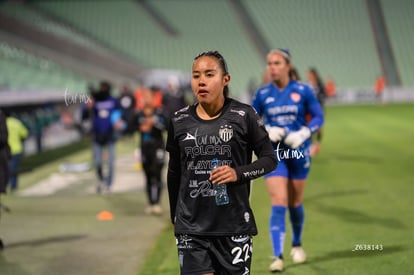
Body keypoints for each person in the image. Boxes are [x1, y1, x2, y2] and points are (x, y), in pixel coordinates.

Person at [166, 50, 277, 275]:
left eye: (209, 74)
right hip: (192, 228)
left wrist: (238, 173)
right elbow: (174, 172)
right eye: (196, 75)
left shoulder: (244, 115)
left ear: (225, 79)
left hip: (233, 226)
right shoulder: (179, 120)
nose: (202, 81)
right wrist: (174, 215)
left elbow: (269, 159)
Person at [252, 49, 324, 272]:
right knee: (279, 201)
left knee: (294, 203)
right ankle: (277, 256)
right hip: (275, 155)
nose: (272, 67)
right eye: (269, 63)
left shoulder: (303, 91)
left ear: (287, 65)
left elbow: (319, 117)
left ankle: (297, 243)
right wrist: (267, 129)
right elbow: (252, 121)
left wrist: (304, 133)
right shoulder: (262, 93)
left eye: (276, 63)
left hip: (299, 152)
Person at [134, 88, 168, 215]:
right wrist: (140, 127)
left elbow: (168, 126)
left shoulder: (159, 112)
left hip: (158, 147)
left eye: (149, 96)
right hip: (145, 148)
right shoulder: (139, 114)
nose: (147, 99)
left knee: (158, 173)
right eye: (145, 96)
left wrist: (156, 123)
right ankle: (150, 203)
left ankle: (157, 203)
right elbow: (130, 127)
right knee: (148, 176)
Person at [90, 81, 125, 194]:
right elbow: (86, 115)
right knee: (98, 162)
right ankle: (102, 181)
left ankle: (109, 185)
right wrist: (88, 107)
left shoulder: (113, 101)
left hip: (110, 135)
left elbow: (120, 114)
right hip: (97, 135)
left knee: (110, 162)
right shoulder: (95, 100)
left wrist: (119, 122)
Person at [5, 110, 28, 192]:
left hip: (6, 150)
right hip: (17, 149)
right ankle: (14, 185)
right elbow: (25, 133)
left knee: (7, 168)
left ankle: (9, 185)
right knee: (14, 168)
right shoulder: (17, 123)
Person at [306, 67, 326, 156]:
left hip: (319, 108)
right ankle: (310, 145)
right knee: (309, 126)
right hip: (309, 110)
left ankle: (317, 144)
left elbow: (324, 95)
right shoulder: (307, 85)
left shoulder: (319, 84)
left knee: (319, 128)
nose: (308, 76)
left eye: (310, 74)